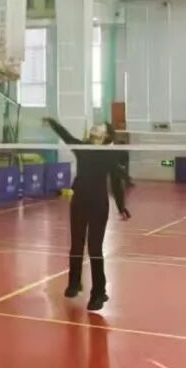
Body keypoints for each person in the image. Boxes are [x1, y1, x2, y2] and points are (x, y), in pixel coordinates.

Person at [43, 117, 130, 311]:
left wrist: (121, 206)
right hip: (79, 202)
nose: (94, 128)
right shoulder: (82, 148)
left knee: (95, 249)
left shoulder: (110, 155)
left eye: (99, 127)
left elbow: (116, 182)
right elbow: (65, 136)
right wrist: (52, 122)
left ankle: (99, 293)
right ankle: (74, 283)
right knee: (76, 245)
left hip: (98, 205)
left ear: (105, 135)